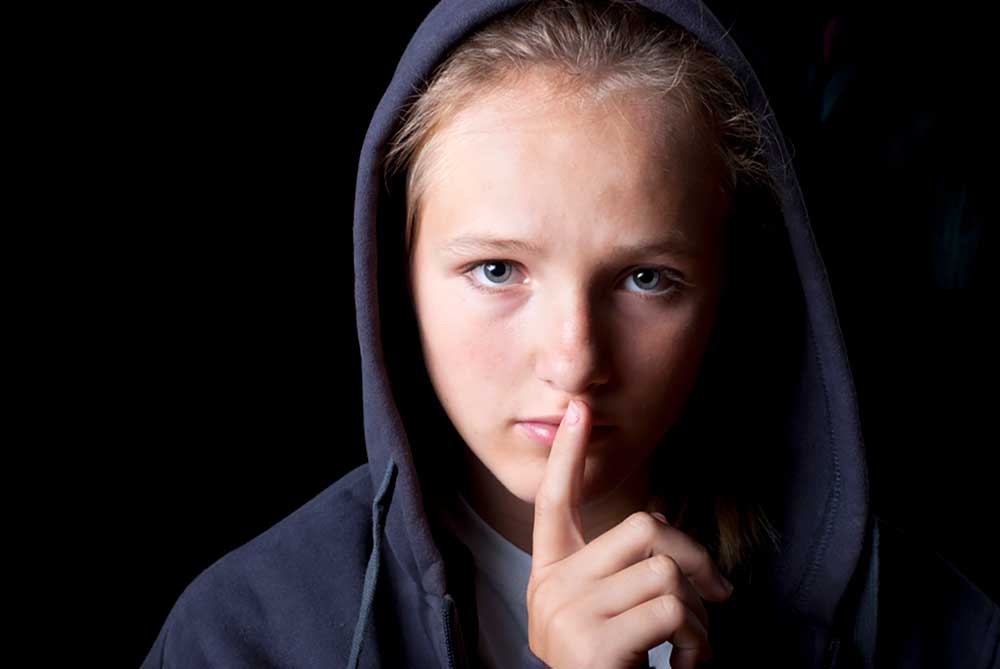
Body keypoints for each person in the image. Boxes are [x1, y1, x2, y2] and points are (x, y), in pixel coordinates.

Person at [140, 1, 1000, 667]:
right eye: (497, 271)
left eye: (645, 278)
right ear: (396, 279)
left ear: (730, 289)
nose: (575, 360)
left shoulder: (931, 629)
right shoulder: (244, 633)